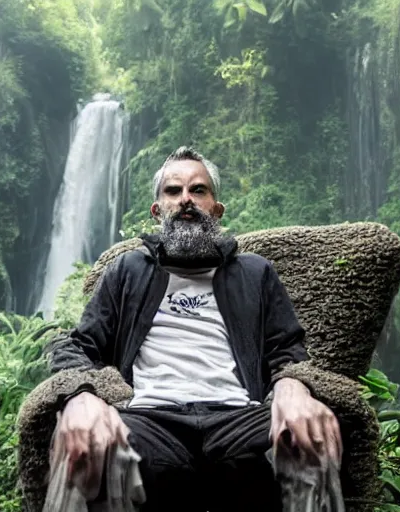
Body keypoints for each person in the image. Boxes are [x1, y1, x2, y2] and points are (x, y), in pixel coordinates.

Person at [48, 146, 342, 511]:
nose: (186, 199)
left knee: (307, 438)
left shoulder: (254, 272)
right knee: (92, 445)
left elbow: (288, 351)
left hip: (239, 416)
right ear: (158, 211)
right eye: (173, 191)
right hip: (148, 419)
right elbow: (78, 346)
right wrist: (81, 396)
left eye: (198, 190)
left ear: (216, 209)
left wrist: (294, 388)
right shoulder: (128, 270)